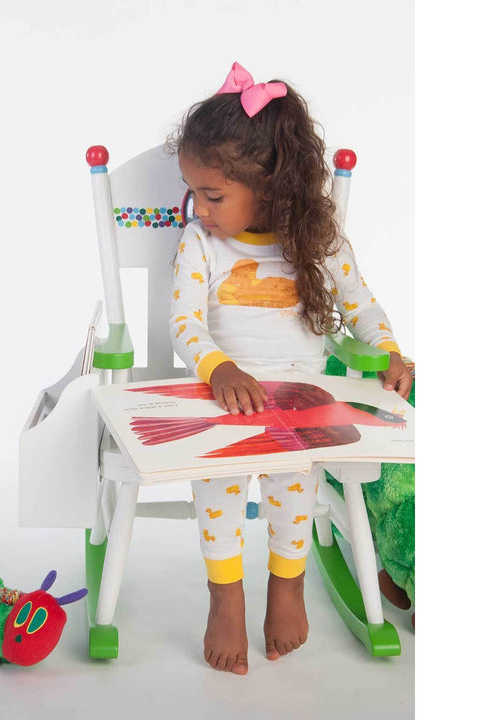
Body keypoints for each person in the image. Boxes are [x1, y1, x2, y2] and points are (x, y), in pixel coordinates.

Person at [169, 62, 413, 675]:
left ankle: (288, 581)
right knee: (219, 483)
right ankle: (225, 593)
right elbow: (185, 322)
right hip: (222, 395)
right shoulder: (201, 243)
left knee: (292, 482)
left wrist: (387, 349)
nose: (198, 208)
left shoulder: (317, 241)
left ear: (270, 183)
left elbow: (360, 303)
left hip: (303, 396)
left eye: (213, 195)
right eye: (194, 191)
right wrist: (220, 368)